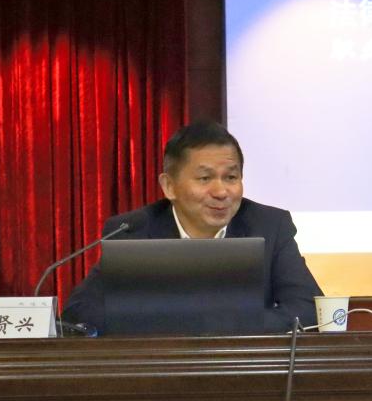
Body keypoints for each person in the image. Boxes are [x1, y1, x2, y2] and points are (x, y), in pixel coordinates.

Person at [62, 120, 322, 334]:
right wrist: (179, 324)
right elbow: (80, 312)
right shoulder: (133, 230)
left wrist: (227, 325)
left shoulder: (269, 226)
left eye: (231, 177)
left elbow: (309, 310)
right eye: (205, 178)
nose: (221, 191)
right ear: (169, 186)